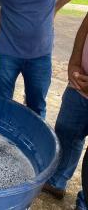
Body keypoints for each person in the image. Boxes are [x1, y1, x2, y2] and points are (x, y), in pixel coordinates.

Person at [43, 13, 88, 206]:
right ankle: (56, 181)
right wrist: (74, 62)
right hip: (80, 84)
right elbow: (85, 26)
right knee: (67, 133)